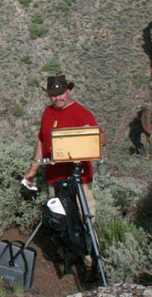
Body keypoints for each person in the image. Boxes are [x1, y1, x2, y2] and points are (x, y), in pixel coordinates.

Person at [22, 74, 107, 217]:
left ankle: (89, 239)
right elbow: (42, 141)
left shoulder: (82, 113)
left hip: (79, 177)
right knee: (59, 218)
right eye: (53, 95)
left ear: (68, 91)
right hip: (54, 175)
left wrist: (91, 132)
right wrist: (34, 168)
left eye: (61, 93)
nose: (57, 98)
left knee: (85, 214)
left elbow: (103, 140)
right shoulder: (47, 112)